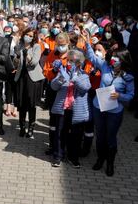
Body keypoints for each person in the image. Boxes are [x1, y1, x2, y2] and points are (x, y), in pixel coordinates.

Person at [82, 30, 134, 176]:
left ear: (123, 60)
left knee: (110, 137)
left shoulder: (128, 77)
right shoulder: (105, 66)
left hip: (114, 111)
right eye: (113, 57)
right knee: (100, 135)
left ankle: (110, 163)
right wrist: (87, 41)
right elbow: (91, 56)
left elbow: (131, 95)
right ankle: (100, 159)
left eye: (117, 58)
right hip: (98, 106)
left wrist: (120, 96)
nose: (113, 60)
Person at [50, 50, 91, 168]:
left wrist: (75, 79)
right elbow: (53, 86)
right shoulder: (63, 72)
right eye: (68, 60)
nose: (69, 63)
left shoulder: (84, 75)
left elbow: (85, 88)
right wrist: (59, 80)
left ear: (79, 63)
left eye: (72, 61)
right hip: (63, 108)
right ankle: (58, 156)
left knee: (76, 135)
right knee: (60, 133)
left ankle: (73, 157)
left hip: (76, 111)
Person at [14, 28, 44, 138]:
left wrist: (27, 55)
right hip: (21, 77)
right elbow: (16, 63)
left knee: (31, 104)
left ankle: (31, 128)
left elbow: (34, 63)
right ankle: (22, 127)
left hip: (32, 78)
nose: (29, 37)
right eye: (27, 35)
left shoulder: (36, 46)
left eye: (31, 36)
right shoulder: (19, 45)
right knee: (21, 103)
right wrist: (17, 57)